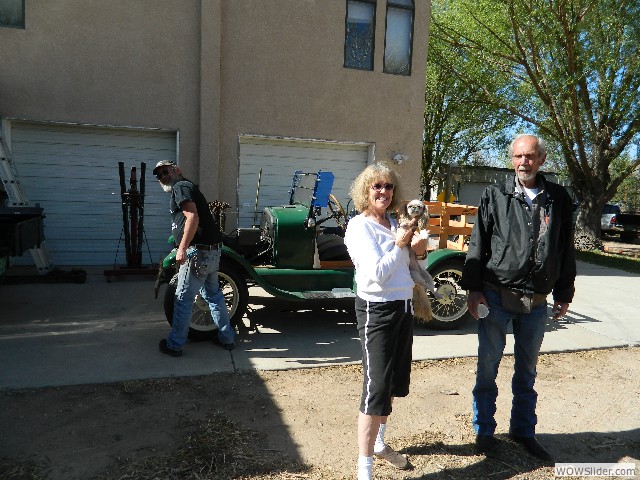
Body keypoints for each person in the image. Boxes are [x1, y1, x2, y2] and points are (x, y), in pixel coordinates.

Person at [460, 134, 576, 461]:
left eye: (529, 156)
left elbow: (565, 248)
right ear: (512, 159)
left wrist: (564, 291)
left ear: (541, 159)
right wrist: (474, 289)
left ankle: (523, 431)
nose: (522, 162)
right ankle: (484, 430)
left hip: (536, 302)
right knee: (488, 366)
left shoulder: (558, 198)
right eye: (517, 156)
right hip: (496, 297)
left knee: (526, 371)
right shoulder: (495, 194)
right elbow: (477, 242)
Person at [344, 163, 427, 480]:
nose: (383, 191)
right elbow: (377, 274)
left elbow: (413, 266)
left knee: (392, 381)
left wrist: (420, 252)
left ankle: (379, 444)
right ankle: (364, 470)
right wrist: (402, 243)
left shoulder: (395, 221)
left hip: (403, 307)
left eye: (389, 186)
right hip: (376, 311)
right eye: (377, 186)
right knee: (375, 387)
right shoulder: (359, 227)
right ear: (365, 190)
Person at [153, 160, 235, 356]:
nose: (163, 176)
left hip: (197, 253)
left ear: (176, 170)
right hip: (212, 251)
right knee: (213, 295)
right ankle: (227, 338)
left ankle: (174, 345)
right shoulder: (188, 187)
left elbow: (192, 217)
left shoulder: (180, 187)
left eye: (166, 171)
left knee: (182, 299)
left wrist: (182, 249)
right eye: (159, 175)